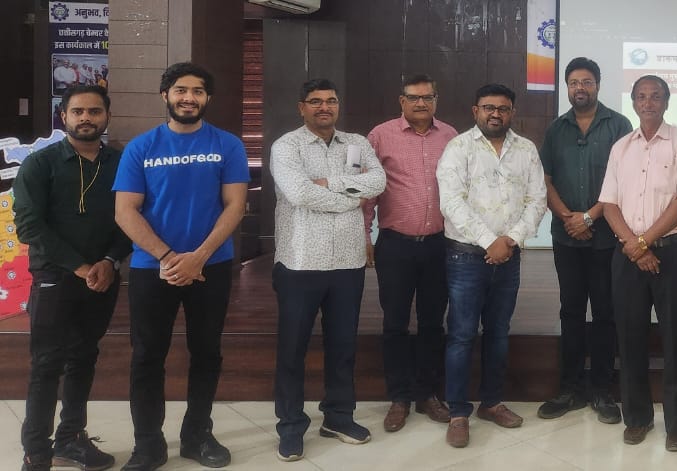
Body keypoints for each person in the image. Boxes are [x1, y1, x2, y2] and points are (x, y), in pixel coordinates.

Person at [113, 62, 249, 471]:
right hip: (151, 268)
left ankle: (197, 436)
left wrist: (198, 257)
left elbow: (235, 205)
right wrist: (170, 258)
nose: (189, 98)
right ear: (165, 95)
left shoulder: (227, 145)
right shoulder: (141, 147)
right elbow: (125, 211)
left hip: (211, 265)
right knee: (146, 356)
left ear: (207, 98)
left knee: (206, 352)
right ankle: (148, 445)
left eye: (197, 91)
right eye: (180, 90)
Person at [15, 84, 130, 471]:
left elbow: (132, 217)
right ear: (63, 117)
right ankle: (36, 451)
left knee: (84, 356)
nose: (86, 118)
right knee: (47, 363)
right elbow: (29, 226)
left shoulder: (121, 163)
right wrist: (81, 267)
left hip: (103, 276)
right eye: (78, 112)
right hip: (55, 277)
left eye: (94, 111)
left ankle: (71, 439)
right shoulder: (40, 164)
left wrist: (110, 261)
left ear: (107, 116)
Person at [270, 79, 386, 461]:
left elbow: (378, 181)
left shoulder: (356, 143)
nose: (324, 107)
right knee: (292, 349)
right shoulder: (287, 146)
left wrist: (331, 184)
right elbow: (299, 193)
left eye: (331, 100)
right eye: (316, 101)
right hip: (300, 262)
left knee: (343, 347)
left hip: (348, 263)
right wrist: (351, 199)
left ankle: (338, 417)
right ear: (301, 107)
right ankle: (290, 426)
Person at [437, 83, 547, 448]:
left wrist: (510, 240)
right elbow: (452, 202)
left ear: (512, 112)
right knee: (461, 334)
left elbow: (537, 200)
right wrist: (490, 242)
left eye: (502, 108)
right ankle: (457, 413)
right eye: (488, 107)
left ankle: (492, 402)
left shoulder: (526, 150)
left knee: (499, 332)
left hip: (508, 257)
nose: (495, 113)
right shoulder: (458, 148)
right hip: (466, 257)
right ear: (475, 111)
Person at [599, 75, 677, 452]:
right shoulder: (621, 147)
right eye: (641, 96)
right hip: (628, 256)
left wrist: (643, 242)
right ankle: (637, 418)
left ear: (667, 101)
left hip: (674, 255)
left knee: (676, 341)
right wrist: (635, 246)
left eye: (655, 96)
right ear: (633, 102)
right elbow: (609, 204)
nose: (648, 102)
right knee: (630, 340)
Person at [537, 57, 631, 424]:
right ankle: (570, 389)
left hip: (607, 236)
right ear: (567, 87)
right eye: (574, 82)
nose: (581, 88)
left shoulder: (619, 125)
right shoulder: (555, 129)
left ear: (598, 85)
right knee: (571, 312)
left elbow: (623, 181)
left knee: (605, 313)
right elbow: (545, 180)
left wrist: (589, 216)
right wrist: (568, 218)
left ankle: (602, 390)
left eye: (587, 82)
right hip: (567, 238)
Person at [364, 74, 458, 432]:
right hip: (395, 245)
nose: (421, 103)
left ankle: (428, 393)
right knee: (395, 323)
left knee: (433, 322)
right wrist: (364, 235)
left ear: (436, 100)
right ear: (401, 101)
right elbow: (367, 192)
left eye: (428, 97)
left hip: (439, 245)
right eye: (414, 98)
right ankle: (399, 396)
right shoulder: (380, 136)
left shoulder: (450, 136)